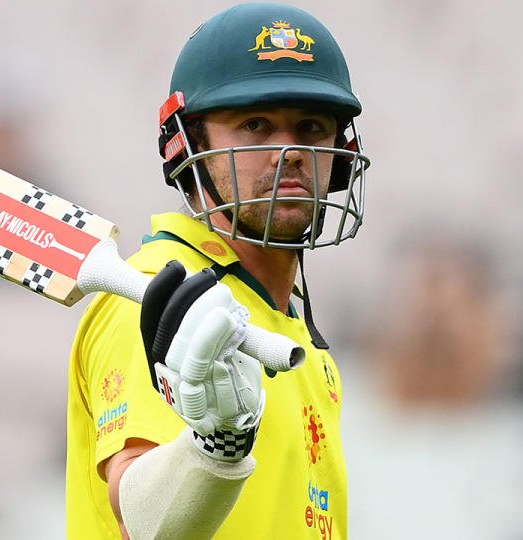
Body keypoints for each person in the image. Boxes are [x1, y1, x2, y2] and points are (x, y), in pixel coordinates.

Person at [66, 3, 369, 539]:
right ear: (190, 146)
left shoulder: (293, 329)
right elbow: (143, 521)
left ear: (341, 158)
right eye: (255, 125)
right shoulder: (157, 292)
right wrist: (217, 446)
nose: (290, 152)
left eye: (311, 127)